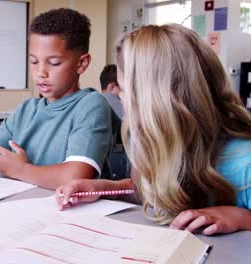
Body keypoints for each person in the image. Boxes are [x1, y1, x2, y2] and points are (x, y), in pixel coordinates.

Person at [56, 24, 251, 235]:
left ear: (153, 99)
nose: (119, 97)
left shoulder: (244, 163)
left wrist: (242, 218)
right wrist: (105, 189)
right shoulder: (161, 142)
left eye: (122, 88)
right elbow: (158, 192)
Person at [0, 8, 113, 190]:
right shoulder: (27, 110)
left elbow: (76, 176)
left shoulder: (91, 105)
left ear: (81, 63)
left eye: (54, 63)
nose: (41, 73)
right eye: (33, 61)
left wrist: (22, 170)